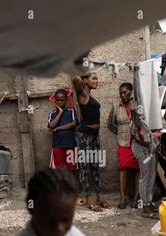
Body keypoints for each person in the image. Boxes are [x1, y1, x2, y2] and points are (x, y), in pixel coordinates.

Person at [72, 73, 110, 212]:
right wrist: (82, 78)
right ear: (85, 81)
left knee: (95, 167)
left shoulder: (91, 97)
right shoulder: (83, 95)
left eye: (96, 78)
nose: (97, 81)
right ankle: (88, 199)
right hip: (84, 136)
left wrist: (86, 80)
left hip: (94, 136)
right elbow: (75, 80)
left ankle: (100, 197)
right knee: (84, 167)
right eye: (93, 78)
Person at [108, 83, 140, 209]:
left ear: (131, 92)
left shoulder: (137, 105)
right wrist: (122, 132)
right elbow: (110, 124)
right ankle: (122, 198)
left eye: (125, 92)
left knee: (137, 170)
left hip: (137, 143)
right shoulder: (116, 106)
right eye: (120, 93)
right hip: (123, 142)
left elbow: (143, 121)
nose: (122, 95)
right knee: (123, 169)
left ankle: (136, 198)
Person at [130, 101, 160, 218]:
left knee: (151, 176)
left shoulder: (140, 122)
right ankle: (146, 208)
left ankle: (149, 202)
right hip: (143, 152)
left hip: (148, 151)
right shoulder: (136, 123)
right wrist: (147, 144)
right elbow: (138, 137)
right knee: (145, 177)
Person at [48, 89, 77, 173]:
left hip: (70, 145)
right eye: (57, 100)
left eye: (62, 100)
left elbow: (73, 124)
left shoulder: (71, 111)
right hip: (57, 145)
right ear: (55, 101)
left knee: (71, 169)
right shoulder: (52, 114)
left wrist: (58, 128)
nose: (59, 102)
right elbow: (51, 126)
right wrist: (60, 112)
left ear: (66, 100)